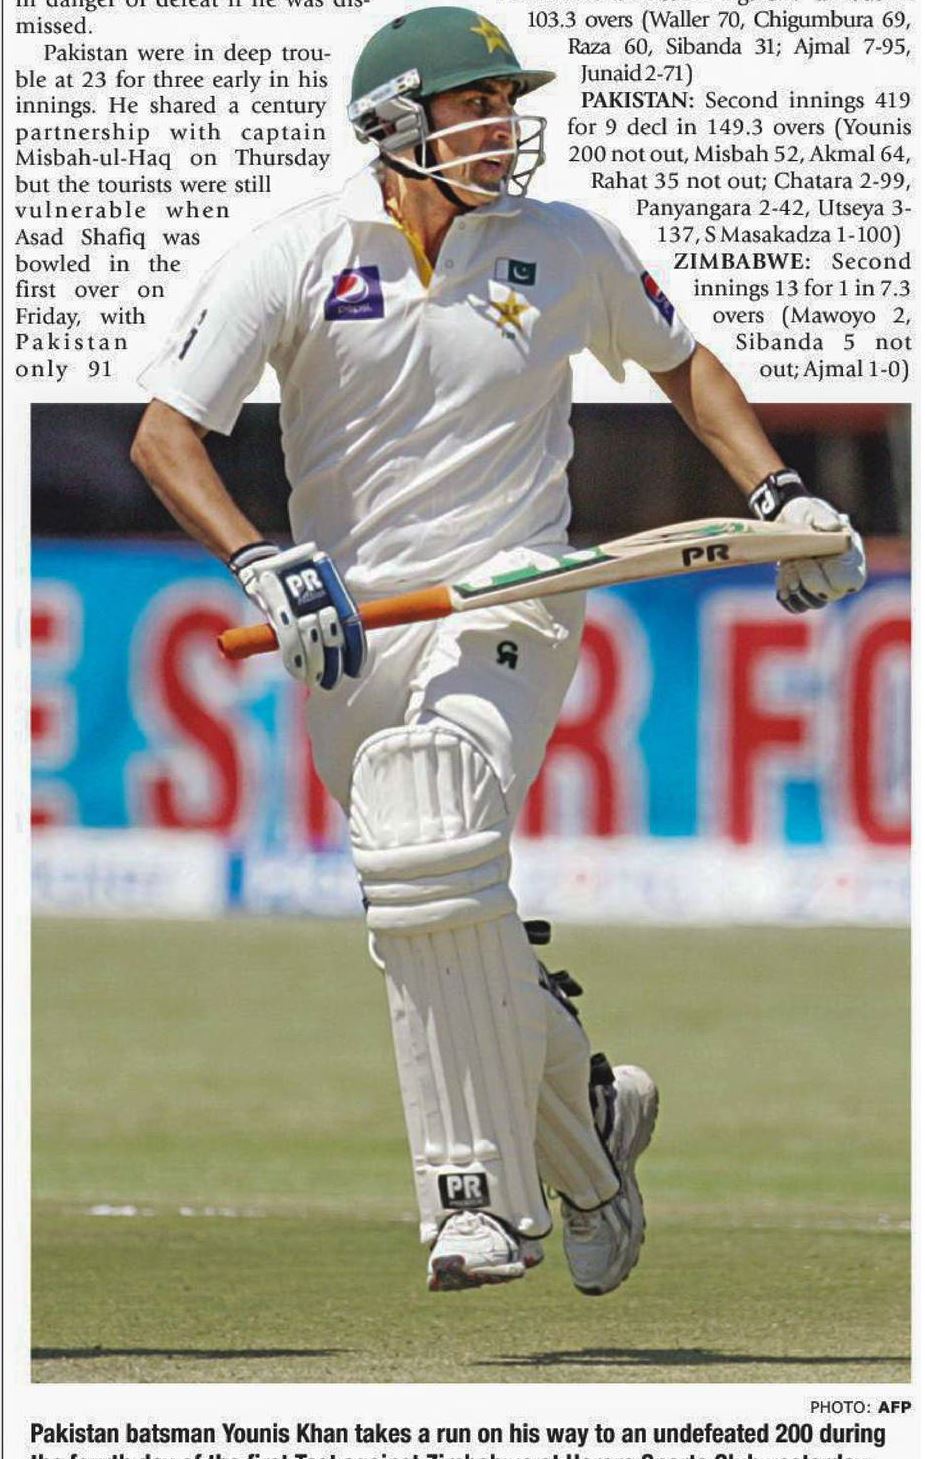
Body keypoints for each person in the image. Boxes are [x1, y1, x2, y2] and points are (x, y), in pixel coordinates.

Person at [131, 6, 866, 1294]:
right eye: (474, 106)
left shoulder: (566, 242)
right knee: (435, 917)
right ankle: (593, 1137)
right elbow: (165, 436)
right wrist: (260, 561)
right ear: (392, 124)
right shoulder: (298, 254)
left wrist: (779, 495)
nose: (501, 128)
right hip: (352, 632)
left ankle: (478, 1206)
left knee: (433, 829)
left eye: (507, 106)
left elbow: (684, 365)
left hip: (514, 602)